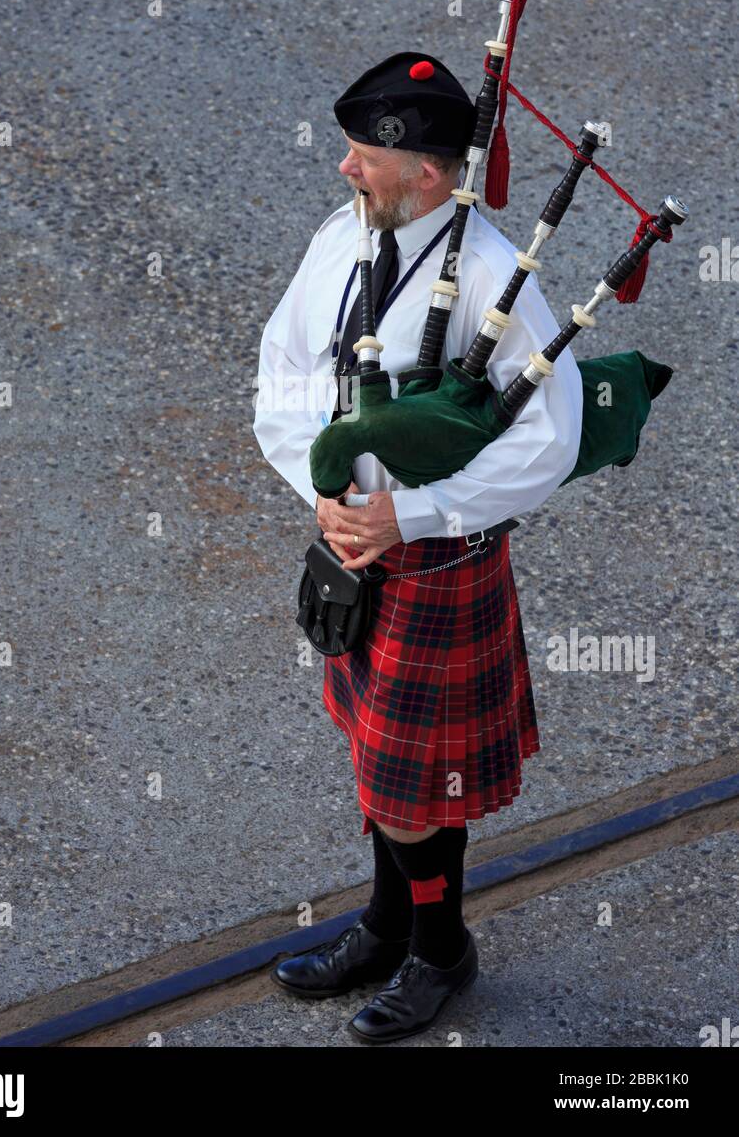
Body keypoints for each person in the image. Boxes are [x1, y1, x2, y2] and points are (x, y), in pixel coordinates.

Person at [252, 51, 583, 1043]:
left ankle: (440, 953)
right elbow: (283, 365)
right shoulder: (343, 238)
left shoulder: (494, 282)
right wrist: (317, 487)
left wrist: (410, 516)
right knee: (377, 762)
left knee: (415, 786)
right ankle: (388, 923)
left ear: (428, 175)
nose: (345, 173)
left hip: (434, 563)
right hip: (351, 550)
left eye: (362, 158)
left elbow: (548, 443)